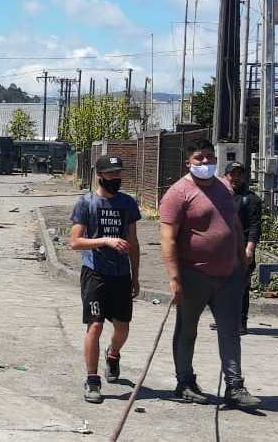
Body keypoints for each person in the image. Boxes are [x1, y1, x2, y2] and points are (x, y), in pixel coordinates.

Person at [159, 139, 260, 408]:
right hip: (194, 276)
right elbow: (168, 239)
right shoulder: (177, 193)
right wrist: (174, 277)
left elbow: (234, 227)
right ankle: (185, 383)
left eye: (209, 157)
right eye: (199, 158)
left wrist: (242, 261)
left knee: (230, 331)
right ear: (188, 162)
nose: (205, 162)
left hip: (229, 276)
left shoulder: (225, 189)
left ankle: (235, 387)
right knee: (187, 330)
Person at [69, 155, 141, 403]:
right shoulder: (86, 203)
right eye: (110, 174)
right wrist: (105, 241)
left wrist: (136, 276)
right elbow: (75, 242)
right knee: (95, 325)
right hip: (95, 273)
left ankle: (113, 354)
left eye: (118, 173)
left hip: (121, 274)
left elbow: (133, 242)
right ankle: (92, 380)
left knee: (122, 326)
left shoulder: (128, 204)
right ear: (100, 175)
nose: (115, 178)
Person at [225, 162, 262, 335]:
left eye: (240, 174)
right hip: (223, 248)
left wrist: (250, 249)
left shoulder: (251, 199)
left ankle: (241, 322)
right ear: (226, 176)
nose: (236, 177)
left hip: (242, 248)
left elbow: (255, 226)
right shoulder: (221, 196)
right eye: (233, 174)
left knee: (241, 287)